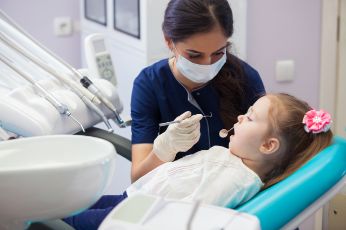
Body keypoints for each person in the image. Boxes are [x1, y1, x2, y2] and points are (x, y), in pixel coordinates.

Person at [64, 93, 333, 229]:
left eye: (249, 117)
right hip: (134, 199)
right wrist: (167, 146)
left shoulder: (235, 180)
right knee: (64, 202)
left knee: (59, 218)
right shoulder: (233, 157)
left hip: (137, 219)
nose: (240, 117)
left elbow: (187, 217)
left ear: (267, 145)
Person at [130, 0, 265, 182]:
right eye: (194, 55)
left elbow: (266, 157)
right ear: (169, 41)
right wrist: (165, 149)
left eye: (218, 53)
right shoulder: (149, 84)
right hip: (173, 195)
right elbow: (138, 179)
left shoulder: (246, 78)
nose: (207, 64)